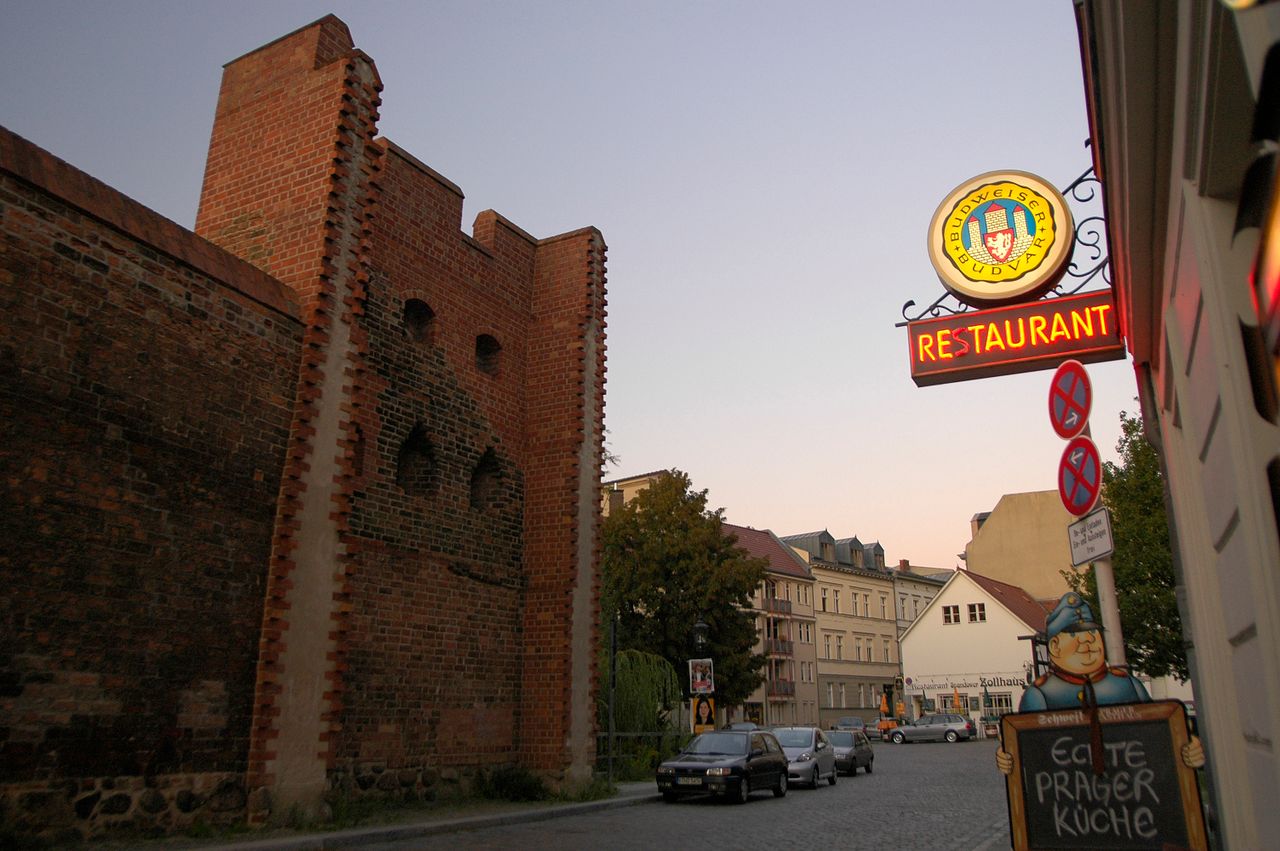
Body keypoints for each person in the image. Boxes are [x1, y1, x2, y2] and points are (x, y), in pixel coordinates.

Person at [996, 592, 1203, 773]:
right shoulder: (1041, 694)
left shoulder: (1126, 684)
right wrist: (1009, 758)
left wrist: (1185, 747)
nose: (1087, 641)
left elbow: (1159, 733)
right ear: (1055, 646)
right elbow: (1029, 752)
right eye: (1075, 634)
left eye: (1091, 632)